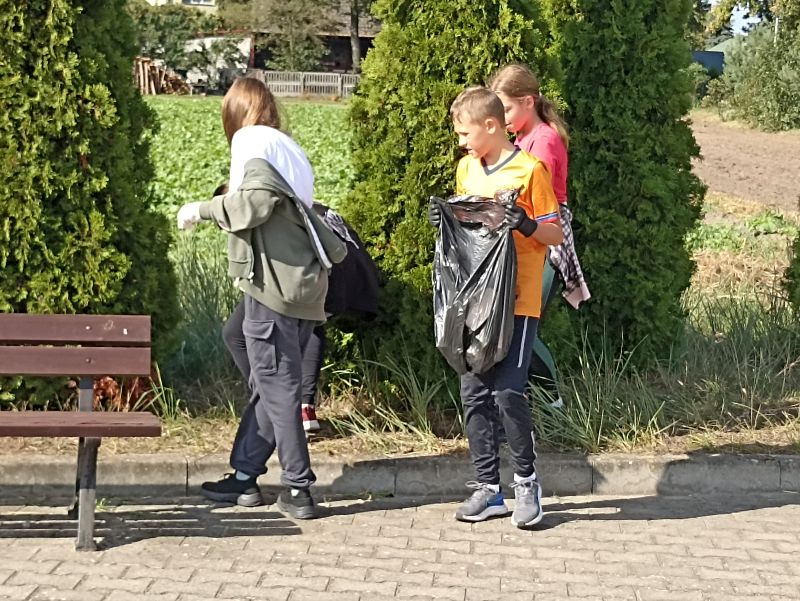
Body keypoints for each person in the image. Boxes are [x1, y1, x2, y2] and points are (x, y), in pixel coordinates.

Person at [175, 77, 347, 519]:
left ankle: (298, 489)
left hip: (273, 284)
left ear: (234, 113)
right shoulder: (287, 147)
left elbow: (252, 205)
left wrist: (200, 209)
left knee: (278, 385)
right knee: (239, 340)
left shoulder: (250, 140)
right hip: (303, 282)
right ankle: (245, 475)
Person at [428, 87, 563, 528]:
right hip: (474, 300)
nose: (460, 142)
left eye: (464, 133)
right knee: (473, 392)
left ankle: (526, 483)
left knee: (507, 392)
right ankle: (488, 490)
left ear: (491, 126)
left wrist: (526, 224)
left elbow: (555, 234)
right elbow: (470, 230)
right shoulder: (467, 169)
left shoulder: (530, 171)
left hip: (518, 300)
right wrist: (446, 220)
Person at [489, 64, 591, 409]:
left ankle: (553, 405)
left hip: (543, 242)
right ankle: (533, 403)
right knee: (514, 325)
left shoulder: (544, 141)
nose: (501, 118)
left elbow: (537, 204)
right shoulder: (522, 138)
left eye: (506, 109)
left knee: (521, 328)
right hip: (524, 239)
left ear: (528, 102)